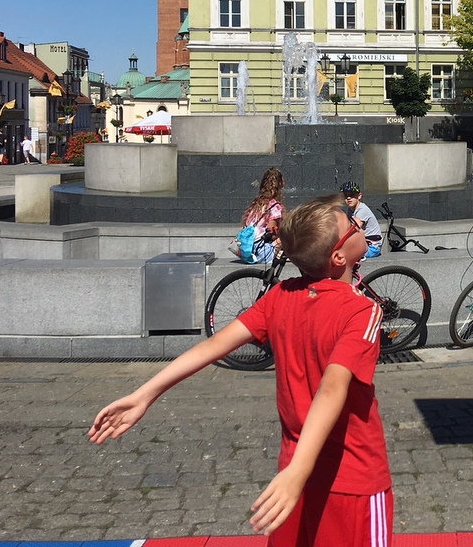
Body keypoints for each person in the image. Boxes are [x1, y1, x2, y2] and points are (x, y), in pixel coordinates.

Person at [90, 194, 393, 546]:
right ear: (339, 257)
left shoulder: (281, 295)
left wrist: (145, 394)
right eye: (352, 225)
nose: (358, 224)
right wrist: (298, 473)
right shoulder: (362, 311)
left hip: (290, 476)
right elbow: (332, 388)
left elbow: (212, 346)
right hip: (351, 477)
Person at [232, 167, 286, 262]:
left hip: (248, 250)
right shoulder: (274, 206)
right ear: (280, 185)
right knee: (288, 237)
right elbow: (271, 233)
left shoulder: (256, 204)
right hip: (261, 251)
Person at [340, 180, 383, 258]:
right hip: (363, 244)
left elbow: (355, 228)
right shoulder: (350, 210)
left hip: (372, 247)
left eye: (352, 195)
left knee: (344, 255)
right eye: (346, 196)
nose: (348, 198)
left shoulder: (362, 210)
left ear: (359, 196)